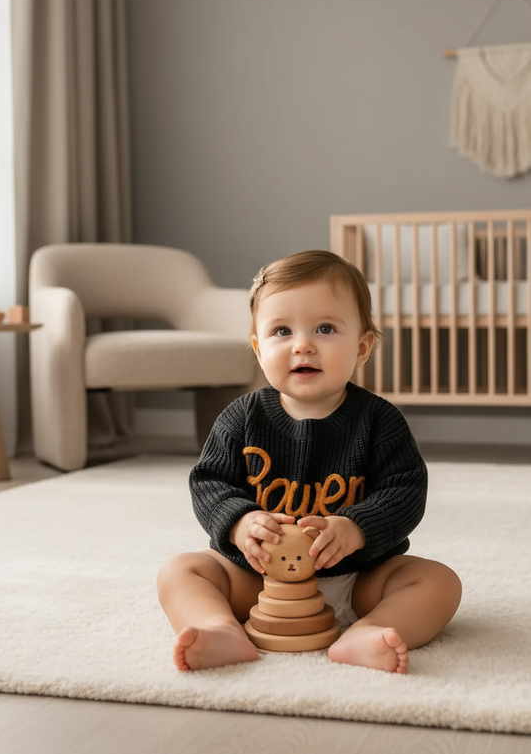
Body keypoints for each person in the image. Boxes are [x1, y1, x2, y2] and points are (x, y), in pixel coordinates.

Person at [157, 250, 462, 674]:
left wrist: (357, 527)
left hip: (358, 579)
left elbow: (406, 489)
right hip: (259, 579)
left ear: (362, 347)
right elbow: (209, 482)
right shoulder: (241, 417)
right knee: (180, 571)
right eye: (281, 330)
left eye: (325, 328)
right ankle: (220, 629)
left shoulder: (379, 420)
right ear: (258, 348)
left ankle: (368, 632)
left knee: (439, 582)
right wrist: (240, 522)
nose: (303, 344)